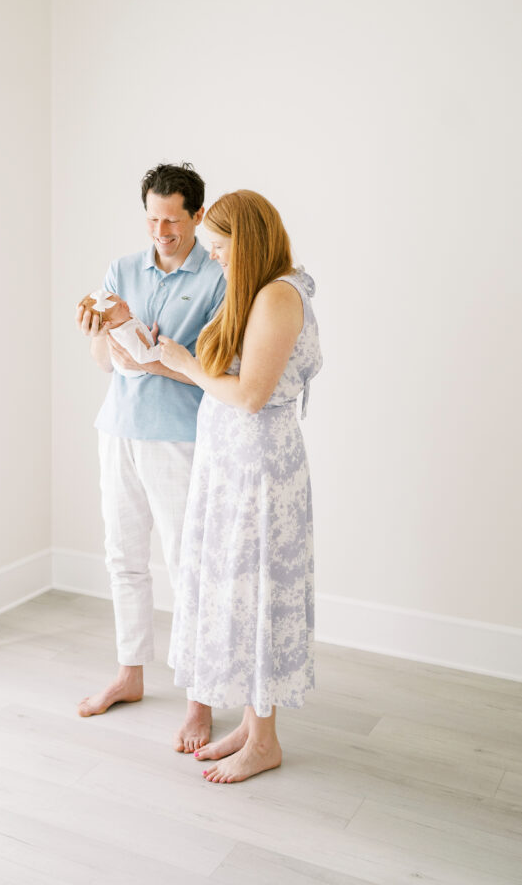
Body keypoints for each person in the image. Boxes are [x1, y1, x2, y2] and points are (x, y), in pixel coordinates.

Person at [159, 189, 323, 783]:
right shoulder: (259, 293)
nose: (218, 260)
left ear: (247, 242)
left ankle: (266, 741)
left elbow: (251, 396)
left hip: (258, 470)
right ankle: (253, 727)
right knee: (238, 590)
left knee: (257, 594)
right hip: (233, 465)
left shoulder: (279, 296)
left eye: (222, 249)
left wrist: (186, 366)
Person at [75, 162, 226, 753]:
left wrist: (140, 342)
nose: (161, 231)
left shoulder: (217, 277)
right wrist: (98, 331)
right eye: (152, 219)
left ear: (197, 217)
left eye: (172, 220)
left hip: (179, 437)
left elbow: (209, 372)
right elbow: (103, 360)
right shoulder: (120, 270)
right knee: (123, 557)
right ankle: (130, 674)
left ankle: (200, 699)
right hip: (117, 428)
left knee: (189, 566)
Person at [77, 290, 162, 374]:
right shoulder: (126, 335)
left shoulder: (122, 318)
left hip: (139, 349)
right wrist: (162, 349)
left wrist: (148, 336)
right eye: (120, 306)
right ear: (107, 323)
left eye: (120, 299)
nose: (125, 303)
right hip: (137, 367)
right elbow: (142, 357)